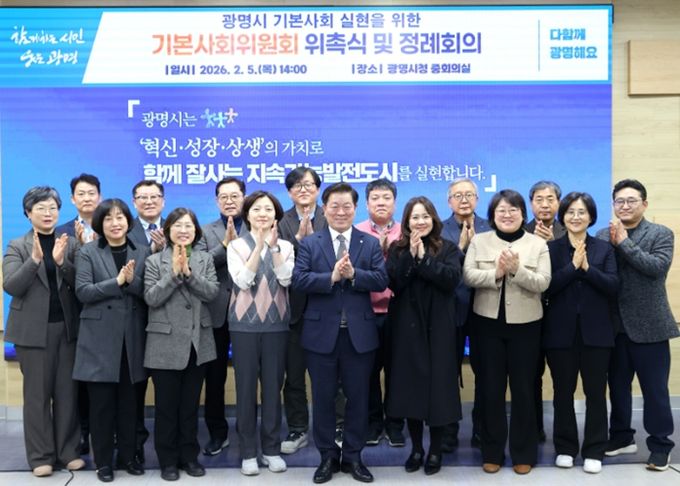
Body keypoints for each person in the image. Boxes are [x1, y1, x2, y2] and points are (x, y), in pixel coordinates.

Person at [292, 182, 388, 484]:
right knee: (323, 398)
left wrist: (355, 275)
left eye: (347, 206)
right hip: (320, 335)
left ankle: (354, 457)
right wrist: (331, 277)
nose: (341, 211)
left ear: (355, 209)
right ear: (324, 208)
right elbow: (299, 280)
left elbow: (381, 279)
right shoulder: (311, 243)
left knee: (358, 398)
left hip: (359, 335)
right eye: (334, 206)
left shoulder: (368, 242)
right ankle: (327, 457)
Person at [463, 189, 550, 475]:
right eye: (501, 210)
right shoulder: (479, 241)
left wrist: (516, 270)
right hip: (487, 325)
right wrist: (496, 273)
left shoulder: (537, 243)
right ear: (492, 215)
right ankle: (492, 452)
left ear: (523, 214)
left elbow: (543, 282)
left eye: (513, 210)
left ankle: (524, 453)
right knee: (491, 389)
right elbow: (468, 275)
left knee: (524, 390)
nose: (507, 214)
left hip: (527, 326)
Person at [597, 179, 679, 471]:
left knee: (654, 390)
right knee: (617, 387)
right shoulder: (602, 234)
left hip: (650, 326)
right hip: (613, 326)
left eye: (631, 200)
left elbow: (655, 268)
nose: (625, 206)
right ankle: (621, 437)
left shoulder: (660, 233)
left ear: (644, 204)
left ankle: (660, 445)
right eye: (619, 201)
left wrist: (624, 243)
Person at [2, 186, 85, 477]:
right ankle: (40, 457)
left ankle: (68, 452)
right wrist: (35, 260)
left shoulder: (69, 243)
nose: (48, 213)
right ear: (28, 213)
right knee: (37, 397)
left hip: (67, 329)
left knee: (67, 394)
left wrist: (63, 263)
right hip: (32, 333)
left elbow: (82, 284)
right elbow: (12, 286)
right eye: (41, 208)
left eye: (52, 208)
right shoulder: (18, 245)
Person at [72, 199, 150, 482]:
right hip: (99, 338)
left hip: (132, 337)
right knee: (101, 406)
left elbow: (149, 292)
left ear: (128, 222)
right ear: (99, 223)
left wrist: (130, 282)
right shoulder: (88, 252)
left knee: (130, 404)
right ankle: (103, 462)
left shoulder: (142, 251)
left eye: (120, 218)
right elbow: (83, 291)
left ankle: (129, 457)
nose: (115, 223)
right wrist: (117, 282)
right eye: (108, 218)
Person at [385, 196, 462, 476]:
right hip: (407, 329)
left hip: (440, 327)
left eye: (425, 216)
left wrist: (423, 259)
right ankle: (416, 448)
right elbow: (395, 282)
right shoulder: (397, 249)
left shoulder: (448, 248)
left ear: (434, 219)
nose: (420, 222)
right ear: (407, 222)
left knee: (439, 390)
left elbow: (451, 280)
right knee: (411, 389)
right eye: (415, 217)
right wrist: (410, 255)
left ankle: (436, 450)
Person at [543, 192, 618, 474]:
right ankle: (565, 448)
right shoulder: (551, 249)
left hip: (597, 333)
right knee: (562, 392)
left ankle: (594, 449)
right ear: (562, 216)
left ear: (591, 217)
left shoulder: (604, 249)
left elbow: (613, 286)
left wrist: (587, 269)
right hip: (560, 333)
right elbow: (546, 287)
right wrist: (572, 267)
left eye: (582, 212)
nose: (576, 217)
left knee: (596, 393)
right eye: (570, 212)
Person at [143, 208, 219, 481]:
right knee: (166, 408)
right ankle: (167, 461)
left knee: (189, 407)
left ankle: (189, 457)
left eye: (188, 226)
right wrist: (174, 275)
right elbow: (151, 298)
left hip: (197, 343)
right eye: (178, 226)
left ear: (196, 231)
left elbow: (212, 292)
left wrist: (189, 274)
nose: (183, 230)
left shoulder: (204, 259)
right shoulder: (154, 260)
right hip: (164, 343)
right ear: (168, 230)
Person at [227, 191, 295, 475]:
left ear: (276, 215)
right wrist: (258, 248)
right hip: (243, 326)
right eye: (256, 209)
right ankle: (248, 452)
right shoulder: (235, 245)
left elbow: (286, 279)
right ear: (247, 214)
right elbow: (243, 281)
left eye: (268, 209)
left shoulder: (286, 246)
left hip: (276, 326)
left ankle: (271, 449)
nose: (263, 214)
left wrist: (274, 248)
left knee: (272, 388)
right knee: (245, 390)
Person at [195, 177, 246, 457]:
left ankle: (249, 431)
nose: (229, 201)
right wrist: (225, 245)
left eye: (234, 195)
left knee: (251, 375)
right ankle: (217, 432)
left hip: (252, 312)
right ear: (216, 201)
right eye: (223, 196)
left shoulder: (257, 226)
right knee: (214, 378)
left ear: (244, 197)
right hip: (215, 313)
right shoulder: (204, 231)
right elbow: (200, 265)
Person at [277, 167, 327, 455]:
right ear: (289, 192)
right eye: (297, 185)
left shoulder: (331, 217)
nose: (303, 189)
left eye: (308, 184)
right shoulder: (279, 221)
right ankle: (298, 428)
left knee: (331, 376)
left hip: (326, 310)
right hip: (292, 312)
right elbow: (279, 266)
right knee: (294, 376)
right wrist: (298, 243)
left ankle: (334, 427)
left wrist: (311, 244)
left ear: (318, 189)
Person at [440, 178, 491, 450]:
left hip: (486, 307)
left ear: (477, 199)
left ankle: (482, 429)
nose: (464, 200)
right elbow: (440, 269)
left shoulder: (490, 227)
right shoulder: (438, 230)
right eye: (458, 195)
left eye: (469, 195)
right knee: (448, 372)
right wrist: (461, 249)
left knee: (486, 371)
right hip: (450, 309)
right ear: (449, 201)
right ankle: (449, 431)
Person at [355, 178, 405, 447]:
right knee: (369, 373)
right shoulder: (357, 232)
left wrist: (391, 255)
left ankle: (395, 424)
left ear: (395, 203)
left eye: (386, 198)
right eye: (375, 198)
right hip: (366, 313)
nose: (381, 203)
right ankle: (373, 424)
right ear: (367, 203)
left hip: (399, 314)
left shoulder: (407, 232)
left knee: (398, 372)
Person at [55, 172, 102, 456]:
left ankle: (107, 432)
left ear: (100, 196)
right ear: (72, 199)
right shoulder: (61, 232)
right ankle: (83, 432)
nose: (87, 198)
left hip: (107, 315)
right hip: (75, 315)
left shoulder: (113, 225)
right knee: (81, 378)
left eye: (91, 193)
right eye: (81, 194)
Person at [127, 179, 167, 462]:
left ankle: (170, 445)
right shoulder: (122, 229)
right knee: (135, 388)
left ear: (163, 200)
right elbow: (125, 275)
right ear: (134, 202)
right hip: (135, 319)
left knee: (167, 388)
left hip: (169, 322)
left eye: (154, 196)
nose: (149, 202)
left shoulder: (178, 226)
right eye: (143, 197)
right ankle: (135, 444)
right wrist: (152, 254)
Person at [525, 180, 565, 443]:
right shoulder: (520, 231)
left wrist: (553, 246)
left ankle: (563, 434)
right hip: (529, 314)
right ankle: (534, 427)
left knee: (562, 378)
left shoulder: (570, 231)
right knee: (531, 376)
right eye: (539, 199)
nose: (545, 204)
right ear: (531, 204)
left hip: (561, 316)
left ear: (558, 203)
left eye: (550, 199)